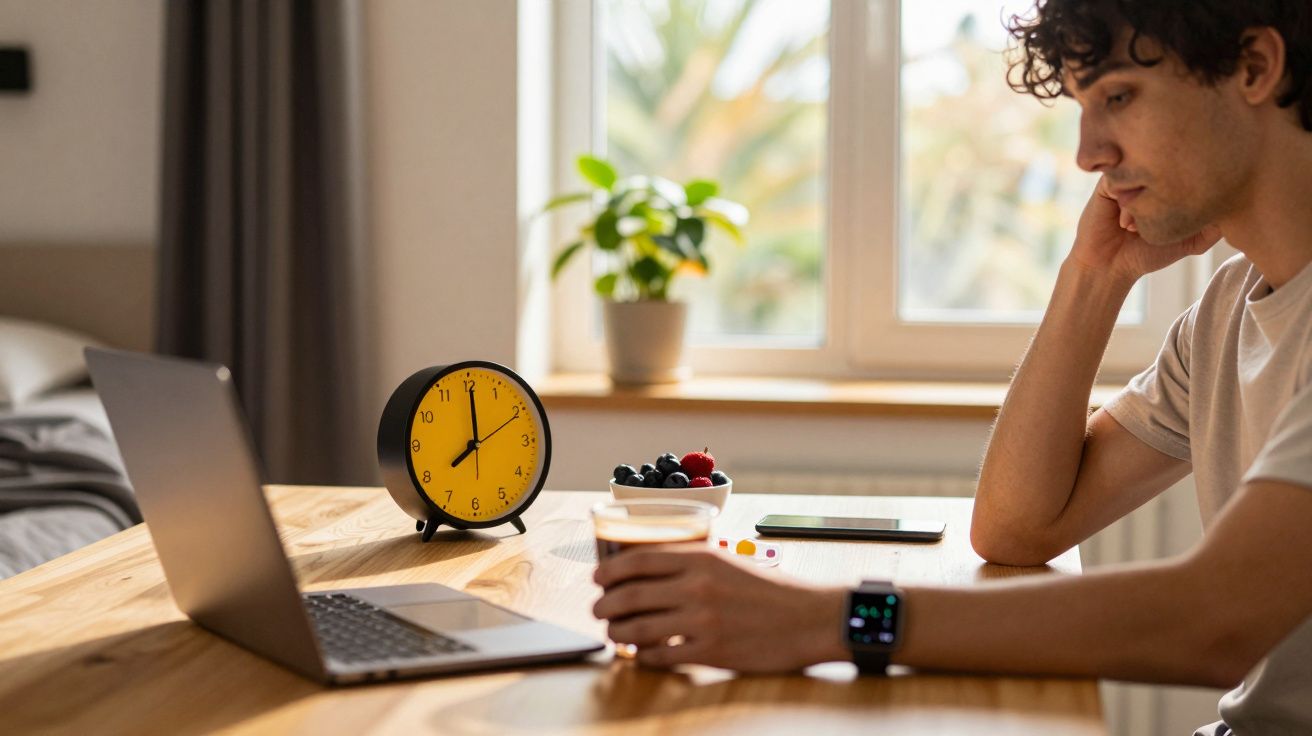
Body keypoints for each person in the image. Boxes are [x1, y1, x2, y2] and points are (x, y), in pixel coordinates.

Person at [591, 1, 1312, 733]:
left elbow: (1214, 621)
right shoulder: (1228, 310)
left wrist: (826, 620)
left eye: (1118, 97)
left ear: (1255, 67)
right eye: (1082, 108)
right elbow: (1017, 527)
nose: (1088, 153)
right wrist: (1094, 277)